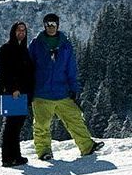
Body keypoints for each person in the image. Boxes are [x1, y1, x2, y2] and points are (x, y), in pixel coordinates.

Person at [29, 12, 104, 160]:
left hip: (62, 92)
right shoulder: (36, 44)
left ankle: (87, 146)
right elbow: (29, 67)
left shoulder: (65, 44)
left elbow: (71, 69)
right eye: (48, 24)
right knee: (42, 125)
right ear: (44, 26)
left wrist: (74, 89)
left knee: (75, 118)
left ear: (58, 25)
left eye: (53, 24)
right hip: (41, 93)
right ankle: (44, 152)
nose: (50, 27)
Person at [0, 21, 33, 167]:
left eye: (24, 30)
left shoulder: (24, 49)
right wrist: (13, 89)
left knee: (17, 126)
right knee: (11, 125)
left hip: (23, 93)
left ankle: (16, 156)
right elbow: (5, 72)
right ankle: (7, 158)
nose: (21, 33)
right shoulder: (6, 49)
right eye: (19, 30)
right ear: (13, 32)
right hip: (12, 93)